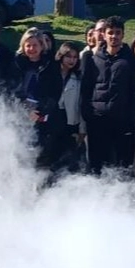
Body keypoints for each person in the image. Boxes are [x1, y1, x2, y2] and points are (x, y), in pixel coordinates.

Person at [80, 16, 135, 178]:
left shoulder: (131, 60)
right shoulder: (92, 58)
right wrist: (87, 113)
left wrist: (131, 117)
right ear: (104, 35)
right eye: (110, 32)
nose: (114, 36)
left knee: (122, 165)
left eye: (118, 33)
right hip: (97, 119)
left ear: (123, 35)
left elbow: (134, 89)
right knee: (97, 164)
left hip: (121, 120)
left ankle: (122, 193)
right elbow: (85, 88)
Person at [14, 27, 64, 169]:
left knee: (41, 158)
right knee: (19, 156)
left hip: (43, 118)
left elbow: (56, 92)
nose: (31, 49)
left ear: (42, 45)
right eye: (28, 45)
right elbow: (11, 89)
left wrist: (41, 111)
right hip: (19, 116)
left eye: (35, 45)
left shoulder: (52, 65)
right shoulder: (16, 63)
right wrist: (24, 109)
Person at [53, 41, 85, 174]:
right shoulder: (51, 73)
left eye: (75, 57)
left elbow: (81, 104)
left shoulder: (78, 78)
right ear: (61, 56)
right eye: (68, 56)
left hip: (70, 123)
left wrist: (82, 129)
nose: (72, 60)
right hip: (52, 121)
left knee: (68, 161)